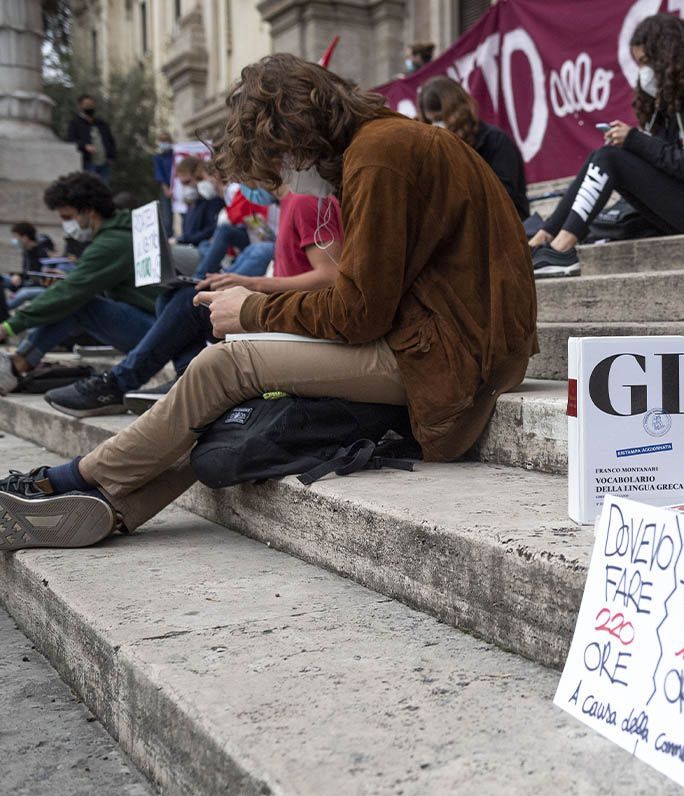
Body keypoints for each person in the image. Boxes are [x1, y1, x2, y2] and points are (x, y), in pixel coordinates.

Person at [0, 53, 537, 550]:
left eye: (277, 164)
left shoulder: (379, 155)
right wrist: (260, 304)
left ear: (295, 135)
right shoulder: (384, 145)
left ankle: (73, 478)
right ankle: (114, 507)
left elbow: (359, 313)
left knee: (224, 365)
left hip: (452, 358)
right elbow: (366, 299)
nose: (283, 181)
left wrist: (251, 311)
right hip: (451, 342)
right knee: (227, 400)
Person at [46, 187, 343, 417]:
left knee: (190, 301)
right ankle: (184, 380)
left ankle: (119, 383)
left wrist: (252, 284)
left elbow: (331, 277)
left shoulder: (306, 200)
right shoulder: (291, 202)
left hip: (296, 323)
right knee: (177, 295)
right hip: (281, 312)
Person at [529, 14, 684, 278]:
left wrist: (635, 140)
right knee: (604, 155)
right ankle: (543, 237)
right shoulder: (673, 98)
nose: (644, 72)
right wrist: (635, 143)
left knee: (610, 158)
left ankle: (561, 250)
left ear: (666, 55)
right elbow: (667, 161)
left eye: (645, 62)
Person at [0, 173, 162, 387]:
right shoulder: (119, 234)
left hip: (156, 332)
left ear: (89, 211)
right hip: (151, 323)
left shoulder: (113, 242)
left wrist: (10, 326)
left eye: (67, 217)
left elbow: (72, 292)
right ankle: (17, 363)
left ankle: (16, 366)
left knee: (77, 303)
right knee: (72, 299)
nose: (66, 224)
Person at [418, 76, 530, 218]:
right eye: (431, 121)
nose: (437, 126)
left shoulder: (495, 141)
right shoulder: (435, 149)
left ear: (458, 110)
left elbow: (503, 196)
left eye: (440, 119)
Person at [5, 222, 58, 314]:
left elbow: (42, 278)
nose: (14, 240)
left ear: (25, 237)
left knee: (24, 293)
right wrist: (18, 276)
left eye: (16, 237)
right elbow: (27, 273)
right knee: (3, 280)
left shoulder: (42, 251)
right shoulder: (27, 251)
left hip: (41, 287)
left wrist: (19, 290)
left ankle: (3, 309)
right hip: (27, 283)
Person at [173, 156, 224, 249]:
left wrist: (183, 240)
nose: (185, 187)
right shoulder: (193, 203)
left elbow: (211, 230)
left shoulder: (212, 200)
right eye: (182, 183)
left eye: (187, 182)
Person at [66, 95, 117, 184]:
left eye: (91, 105)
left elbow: (110, 140)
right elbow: (71, 140)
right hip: (88, 163)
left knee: (103, 187)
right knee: (90, 186)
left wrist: (111, 156)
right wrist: (85, 146)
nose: (90, 107)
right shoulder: (75, 123)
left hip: (104, 164)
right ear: (80, 106)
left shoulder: (102, 124)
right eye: (87, 105)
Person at [153, 132, 175, 229]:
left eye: (166, 140)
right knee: (167, 216)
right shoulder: (158, 157)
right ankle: (168, 234)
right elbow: (159, 174)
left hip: (178, 186)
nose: (164, 143)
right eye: (162, 141)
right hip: (166, 188)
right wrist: (166, 189)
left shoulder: (175, 154)